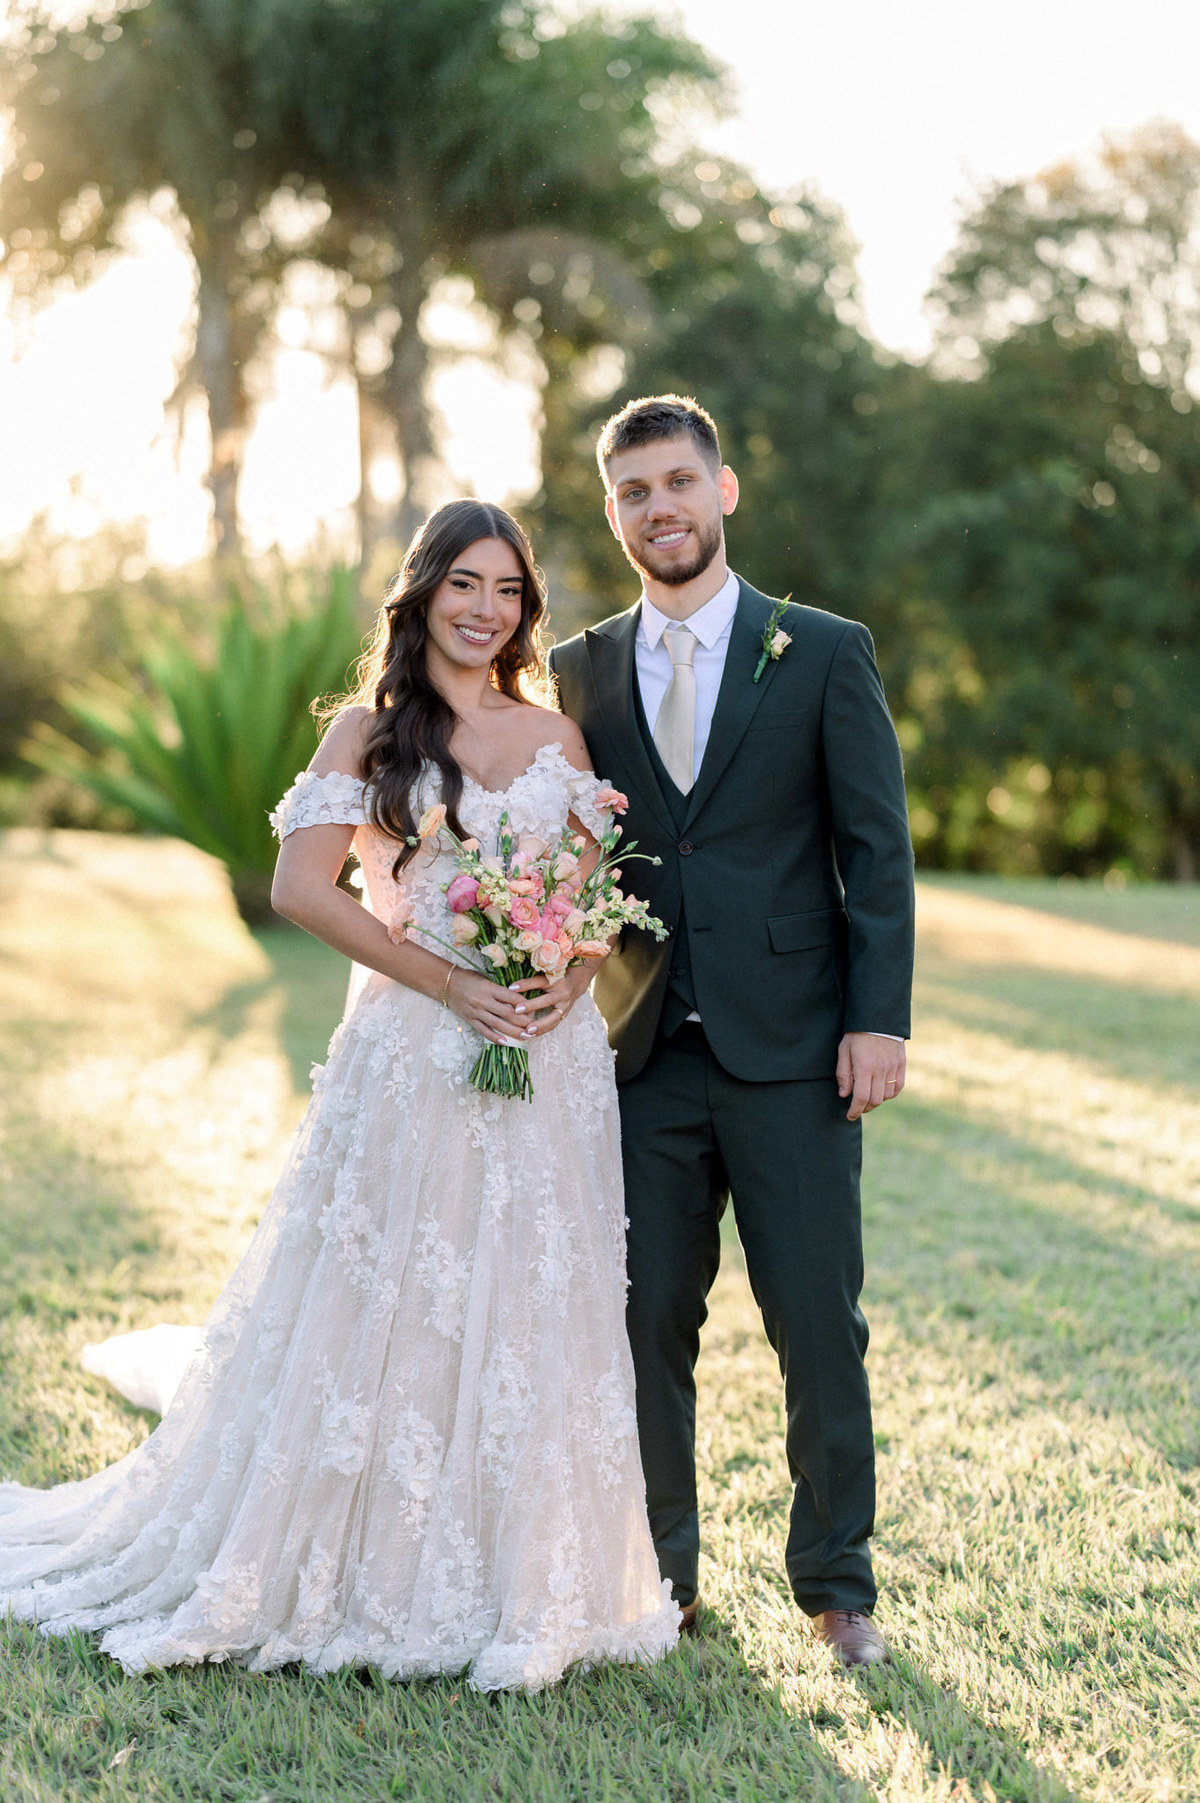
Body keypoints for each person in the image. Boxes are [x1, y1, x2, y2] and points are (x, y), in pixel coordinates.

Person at [0, 499, 678, 1691]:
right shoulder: (369, 732)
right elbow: (302, 890)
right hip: (416, 1044)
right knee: (399, 1288)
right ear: (421, 593)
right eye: (464, 584)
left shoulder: (558, 738)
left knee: (531, 1292)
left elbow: (586, 902)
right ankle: (360, 1561)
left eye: (507, 590)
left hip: (545, 1057)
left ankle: (524, 1581)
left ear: (526, 609)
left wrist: (563, 981)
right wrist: (451, 983)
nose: (485, 610)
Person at [549, 395, 914, 1669]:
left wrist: (877, 1021)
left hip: (798, 1051)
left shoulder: (822, 651)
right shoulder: (579, 670)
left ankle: (838, 1588)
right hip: (639, 1052)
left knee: (817, 1321)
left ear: (724, 490)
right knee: (645, 1318)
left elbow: (876, 850)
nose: (660, 508)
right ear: (613, 514)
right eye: (634, 491)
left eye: (678, 482)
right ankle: (662, 1579)